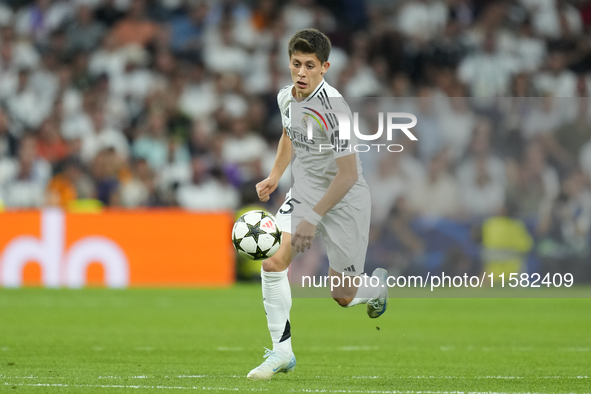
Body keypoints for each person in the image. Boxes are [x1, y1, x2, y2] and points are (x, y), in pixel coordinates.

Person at [247, 28, 388, 381]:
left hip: (347, 198)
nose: (301, 73)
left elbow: (348, 173)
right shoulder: (286, 98)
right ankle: (281, 352)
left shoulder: (334, 109)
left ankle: (375, 289)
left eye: (310, 66)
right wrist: (276, 175)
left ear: (325, 67)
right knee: (273, 263)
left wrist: (312, 218)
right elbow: (287, 135)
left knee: (341, 295)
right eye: (296, 64)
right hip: (306, 190)